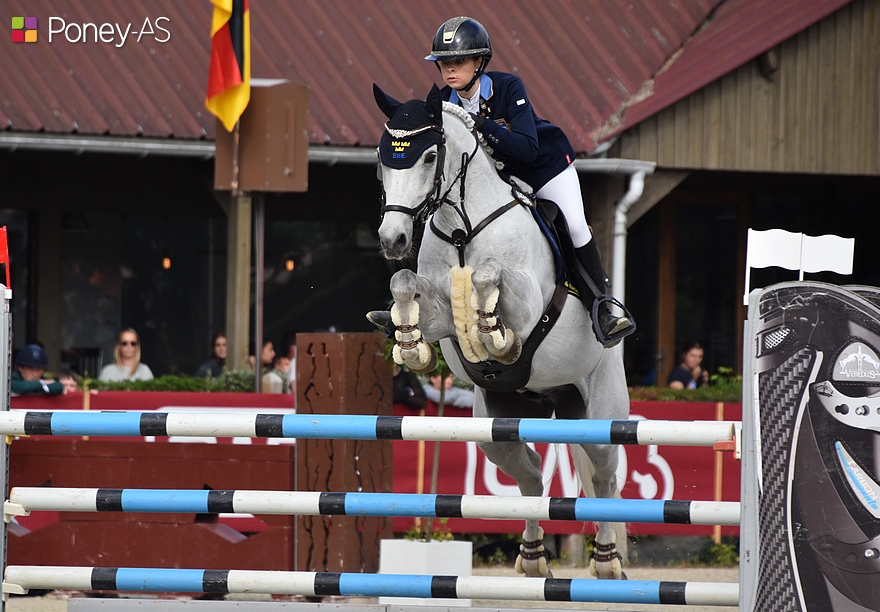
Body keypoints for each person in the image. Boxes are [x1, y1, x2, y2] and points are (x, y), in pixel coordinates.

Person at [367, 16, 633, 348]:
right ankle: (404, 306)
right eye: (443, 63)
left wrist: (476, 122)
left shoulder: (508, 87)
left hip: (543, 168)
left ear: (479, 62)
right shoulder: (444, 104)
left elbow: (526, 146)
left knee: (576, 226)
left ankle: (604, 306)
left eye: (458, 61)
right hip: (498, 178)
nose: (450, 70)